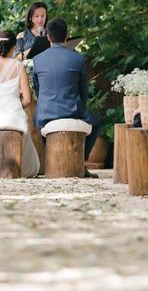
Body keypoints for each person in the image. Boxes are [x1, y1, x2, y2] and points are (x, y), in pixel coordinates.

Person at [32, 18, 101, 178]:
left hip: (45, 113)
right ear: (67, 36)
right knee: (96, 122)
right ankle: (81, 162)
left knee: (37, 122)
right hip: (72, 111)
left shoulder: (37, 60)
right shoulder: (78, 59)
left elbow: (38, 90)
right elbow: (84, 92)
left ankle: (50, 160)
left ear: (48, 37)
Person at [0, 30, 40, 178]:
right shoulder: (18, 66)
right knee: (31, 165)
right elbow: (28, 99)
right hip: (13, 115)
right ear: (14, 47)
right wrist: (16, 105)